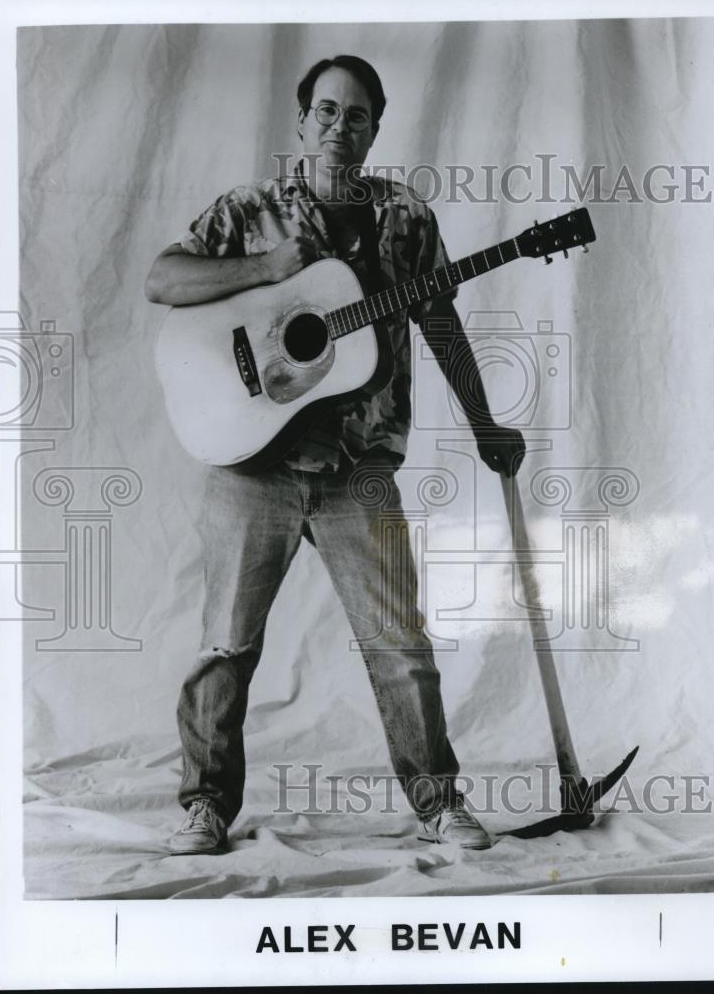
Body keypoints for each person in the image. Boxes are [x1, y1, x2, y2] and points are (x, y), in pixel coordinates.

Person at [145, 54, 525, 855]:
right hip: (254, 465)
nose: (338, 128)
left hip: (361, 471)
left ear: (376, 128)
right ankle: (205, 807)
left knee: (400, 646)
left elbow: (441, 327)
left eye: (356, 115)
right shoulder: (251, 211)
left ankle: (437, 803)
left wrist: (486, 423)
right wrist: (267, 269)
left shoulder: (406, 220)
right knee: (225, 644)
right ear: (300, 120)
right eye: (325, 111)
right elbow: (162, 278)